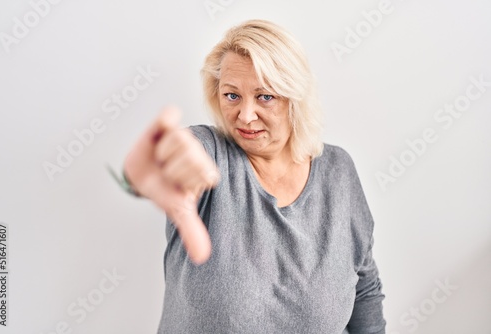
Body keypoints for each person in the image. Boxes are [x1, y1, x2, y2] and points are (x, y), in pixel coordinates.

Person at [121, 19, 386, 333]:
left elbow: (364, 288)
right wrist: (153, 162)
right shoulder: (210, 155)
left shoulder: (338, 171)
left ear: (295, 99)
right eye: (232, 96)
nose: (245, 116)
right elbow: (170, 157)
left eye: (265, 96)